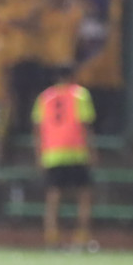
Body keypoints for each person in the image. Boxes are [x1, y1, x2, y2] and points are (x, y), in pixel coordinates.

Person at [32, 64, 96, 249]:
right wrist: (92, 151)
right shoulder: (80, 94)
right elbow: (86, 125)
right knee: (84, 195)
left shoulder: (44, 97)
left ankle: (52, 237)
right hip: (76, 152)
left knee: (53, 197)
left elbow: (37, 129)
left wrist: (38, 154)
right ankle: (82, 237)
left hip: (52, 153)